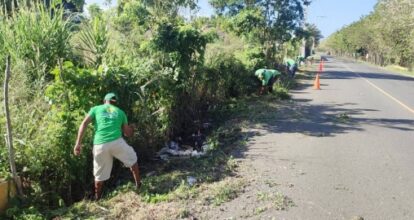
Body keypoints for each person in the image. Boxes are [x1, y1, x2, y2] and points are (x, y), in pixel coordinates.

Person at [73, 93, 141, 200]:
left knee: (99, 176)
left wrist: (78, 143)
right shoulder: (120, 112)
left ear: (105, 101)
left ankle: (97, 198)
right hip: (117, 143)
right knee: (133, 160)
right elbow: (127, 133)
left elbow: (84, 124)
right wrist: (132, 128)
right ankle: (138, 186)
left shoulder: (96, 109)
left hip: (100, 145)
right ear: (115, 102)